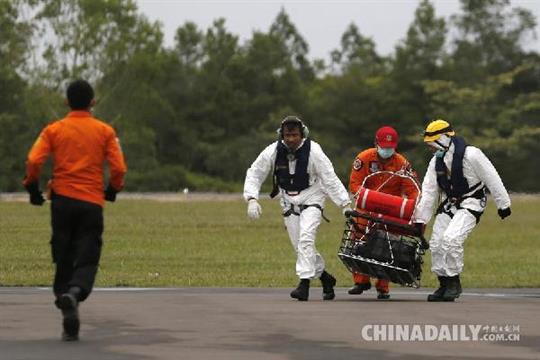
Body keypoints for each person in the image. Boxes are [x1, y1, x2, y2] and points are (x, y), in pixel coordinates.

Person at [22, 79, 127, 341]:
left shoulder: (54, 130)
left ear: (67, 102)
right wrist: (113, 189)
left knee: (63, 253)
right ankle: (76, 293)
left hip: (62, 202)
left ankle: (65, 299)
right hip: (91, 202)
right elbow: (119, 168)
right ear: (92, 102)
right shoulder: (104, 131)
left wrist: (32, 189)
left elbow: (34, 160)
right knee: (88, 255)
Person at [243, 116, 351, 301]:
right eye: (287, 135)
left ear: (303, 134)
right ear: (281, 136)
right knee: (300, 246)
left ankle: (304, 285)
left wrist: (345, 204)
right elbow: (255, 172)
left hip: (312, 197)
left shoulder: (314, 151)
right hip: (288, 201)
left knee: (306, 239)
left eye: (294, 135)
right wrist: (252, 198)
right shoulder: (273, 151)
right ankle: (326, 279)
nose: (291, 139)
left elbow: (330, 178)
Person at [412, 119, 511, 302]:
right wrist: (421, 220)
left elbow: (492, 177)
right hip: (451, 204)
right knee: (436, 243)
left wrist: (503, 204)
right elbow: (429, 192)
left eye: (431, 144)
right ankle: (443, 284)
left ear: (442, 139)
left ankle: (454, 283)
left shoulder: (472, 155)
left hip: (472, 203)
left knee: (451, 239)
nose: (430, 148)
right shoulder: (436, 162)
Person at [347, 126, 419, 299]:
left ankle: (383, 286)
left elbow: (413, 189)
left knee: (385, 246)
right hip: (366, 208)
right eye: (384, 146)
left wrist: (413, 207)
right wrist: (368, 199)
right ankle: (361, 281)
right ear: (375, 143)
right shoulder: (363, 159)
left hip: (390, 210)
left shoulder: (401, 163)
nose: (387, 151)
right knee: (357, 240)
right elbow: (354, 184)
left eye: (391, 147)